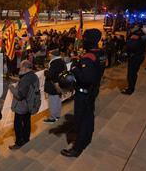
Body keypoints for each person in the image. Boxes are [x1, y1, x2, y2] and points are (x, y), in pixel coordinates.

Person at [61, 29, 103, 157]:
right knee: (89, 117)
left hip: (84, 93)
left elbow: (85, 78)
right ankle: (87, 139)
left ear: (89, 41)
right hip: (93, 90)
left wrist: (74, 67)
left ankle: (77, 148)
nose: (82, 41)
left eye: (84, 39)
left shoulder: (89, 57)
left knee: (80, 120)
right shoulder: (100, 53)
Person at [9, 60, 39, 150]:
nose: (20, 69)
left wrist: (11, 88)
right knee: (27, 122)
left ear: (25, 68)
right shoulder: (34, 75)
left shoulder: (26, 79)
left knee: (18, 124)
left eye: (21, 67)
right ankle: (26, 140)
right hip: (30, 104)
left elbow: (20, 95)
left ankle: (19, 143)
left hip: (22, 106)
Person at [122, 27, 146, 95]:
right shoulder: (143, 38)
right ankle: (131, 86)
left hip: (134, 58)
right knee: (134, 73)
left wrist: (131, 39)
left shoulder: (135, 41)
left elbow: (128, 45)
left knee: (131, 74)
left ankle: (130, 89)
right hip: (140, 57)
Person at [43, 49, 67, 124]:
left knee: (53, 102)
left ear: (53, 55)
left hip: (53, 86)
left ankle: (52, 118)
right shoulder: (61, 61)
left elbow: (51, 75)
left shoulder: (54, 62)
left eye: (50, 54)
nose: (49, 56)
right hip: (59, 84)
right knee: (58, 101)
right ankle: (57, 115)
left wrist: (46, 72)